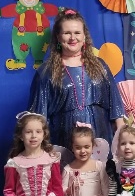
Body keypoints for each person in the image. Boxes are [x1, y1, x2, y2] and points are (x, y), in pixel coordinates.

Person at [28, 9, 125, 150]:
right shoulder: (46, 72)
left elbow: (114, 102)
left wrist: (121, 131)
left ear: (84, 36)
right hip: (63, 137)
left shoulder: (100, 65)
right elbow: (37, 117)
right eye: (67, 33)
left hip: (100, 134)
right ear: (58, 37)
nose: (73, 38)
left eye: (77, 33)